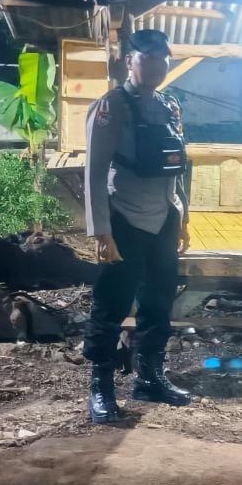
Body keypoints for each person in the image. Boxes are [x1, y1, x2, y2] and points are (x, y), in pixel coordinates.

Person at [82, 28, 193, 424]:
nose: (156, 66)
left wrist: (183, 217)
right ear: (129, 61)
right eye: (147, 58)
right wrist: (101, 231)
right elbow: (94, 173)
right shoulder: (111, 106)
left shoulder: (170, 105)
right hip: (125, 218)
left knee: (158, 303)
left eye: (163, 59)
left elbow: (178, 165)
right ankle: (101, 387)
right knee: (111, 305)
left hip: (165, 218)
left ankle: (149, 378)